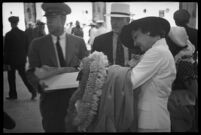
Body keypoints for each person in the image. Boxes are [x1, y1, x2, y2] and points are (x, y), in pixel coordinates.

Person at [26, 3, 88, 132]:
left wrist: (79, 80)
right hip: (50, 102)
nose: (48, 22)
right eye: (47, 19)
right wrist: (40, 86)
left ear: (63, 19)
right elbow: (31, 72)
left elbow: (87, 69)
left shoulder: (78, 42)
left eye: (52, 19)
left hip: (74, 100)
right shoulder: (37, 44)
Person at [119, 16, 176, 132]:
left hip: (151, 120)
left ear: (148, 32)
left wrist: (107, 72)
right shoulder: (159, 51)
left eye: (136, 37)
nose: (134, 43)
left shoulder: (157, 52)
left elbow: (131, 81)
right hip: (154, 118)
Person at [166, 26, 198, 132]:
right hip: (180, 105)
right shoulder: (181, 60)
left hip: (181, 107)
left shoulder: (183, 62)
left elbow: (194, 89)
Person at [4, 16, 37, 100]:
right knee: (24, 77)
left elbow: (6, 50)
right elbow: (27, 47)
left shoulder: (8, 35)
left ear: (11, 24)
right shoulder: (23, 34)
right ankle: (33, 91)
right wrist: (24, 56)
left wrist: (5, 62)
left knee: (11, 78)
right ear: (17, 23)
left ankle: (13, 95)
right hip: (21, 60)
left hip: (11, 61)